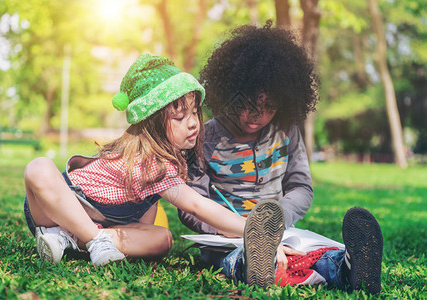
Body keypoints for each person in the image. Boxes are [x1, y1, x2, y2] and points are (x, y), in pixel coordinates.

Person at [178, 21, 383, 294]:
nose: (257, 115)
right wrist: (224, 228)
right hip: (225, 237)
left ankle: (348, 267)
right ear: (230, 94)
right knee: (228, 258)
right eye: (250, 105)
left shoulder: (287, 131)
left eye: (269, 107)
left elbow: (301, 187)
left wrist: (276, 221)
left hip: (282, 232)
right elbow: (191, 204)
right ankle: (253, 264)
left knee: (314, 253)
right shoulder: (204, 138)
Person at [23, 53, 249, 267]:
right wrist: (251, 229)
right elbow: (197, 205)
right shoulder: (151, 160)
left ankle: (70, 239)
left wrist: (228, 228)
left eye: (194, 112)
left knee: (162, 238)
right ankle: (92, 239)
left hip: (100, 223)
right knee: (38, 167)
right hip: (52, 208)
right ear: (153, 124)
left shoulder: (167, 161)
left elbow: (142, 226)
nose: (192, 123)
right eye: (180, 116)